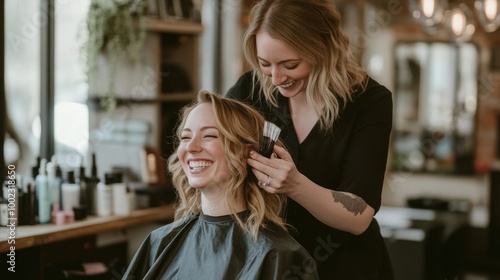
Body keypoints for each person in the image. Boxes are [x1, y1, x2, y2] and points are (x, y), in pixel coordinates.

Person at [225, 0, 394, 279]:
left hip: (344, 264)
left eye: (290, 65)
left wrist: (295, 185)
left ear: (323, 50)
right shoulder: (250, 90)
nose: (277, 78)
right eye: (265, 63)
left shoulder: (368, 102)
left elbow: (359, 215)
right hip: (270, 263)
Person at [122, 90, 319, 280]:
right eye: (185, 137)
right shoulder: (159, 243)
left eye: (209, 136)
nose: (191, 147)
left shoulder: (278, 256)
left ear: (248, 153)